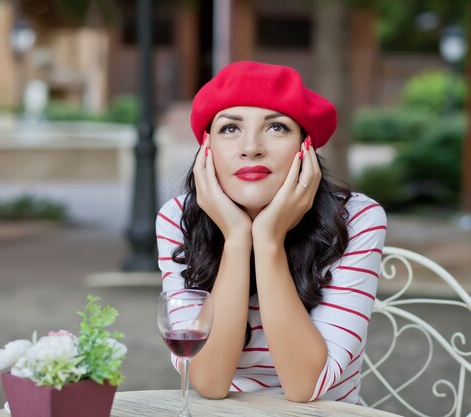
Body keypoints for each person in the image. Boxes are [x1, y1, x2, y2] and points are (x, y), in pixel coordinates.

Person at [156, 61, 387, 404]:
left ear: (304, 147)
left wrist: (267, 241)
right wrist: (236, 238)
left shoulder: (357, 218)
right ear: (207, 149)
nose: (251, 147)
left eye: (276, 128)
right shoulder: (179, 218)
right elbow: (208, 381)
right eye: (230, 129)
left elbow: (306, 387)